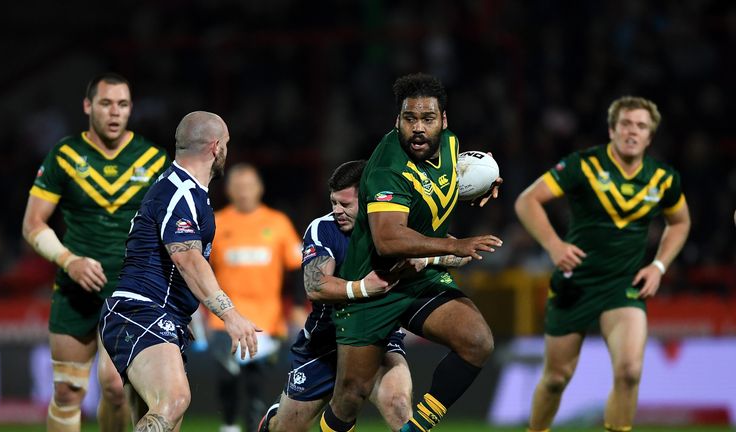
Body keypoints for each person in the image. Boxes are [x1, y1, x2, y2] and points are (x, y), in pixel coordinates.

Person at [319, 73, 503, 432]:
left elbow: (445, 181)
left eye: (428, 119)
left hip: (418, 278)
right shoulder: (388, 168)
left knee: (477, 341)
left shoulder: (449, 145)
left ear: (444, 121)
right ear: (397, 120)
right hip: (373, 285)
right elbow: (389, 239)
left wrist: (481, 182)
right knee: (351, 395)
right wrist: (454, 244)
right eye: (409, 119)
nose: (418, 128)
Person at [514, 96, 691, 432]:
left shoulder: (663, 180)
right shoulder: (583, 165)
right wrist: (553, 245)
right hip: (575, 283)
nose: (632, 131)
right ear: (612, 129)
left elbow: (680, 222)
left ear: (650, 136)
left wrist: (659, 267)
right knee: (556, 378)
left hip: (623, 286)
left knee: (629, 372)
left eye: (641, 126)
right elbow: (527, 201)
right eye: (625, 124)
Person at [260, 159, 474, 432]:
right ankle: (275, 419)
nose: (337, 211)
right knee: (285, 429)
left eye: (346, 204)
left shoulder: (398, 227)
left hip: (379, 334)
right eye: (334, 203)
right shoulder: (322, 229)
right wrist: (362, 287)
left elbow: (459, 252)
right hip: (327, 341)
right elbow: (315, 286)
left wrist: (427, 258)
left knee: (398, 404)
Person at [21, 72, 168, 432]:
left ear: (131, 109)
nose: (115, 112)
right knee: (68, 391)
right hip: (75, 287)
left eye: (122, 104)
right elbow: (33, 224)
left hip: (131, 290)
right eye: (105, 103)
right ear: (88, 106)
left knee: (116, 388)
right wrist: (69, 261)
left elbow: (173, 231)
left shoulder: (153, 160)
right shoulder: (65, 155)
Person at [98, 111, 260, 431]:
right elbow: (188, 258)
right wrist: (230, 314)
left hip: (155, 314)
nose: (227, 149)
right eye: (226, 143)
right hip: (144, 310)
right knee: (173, 399)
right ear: (215, 147)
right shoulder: (181, 192)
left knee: (163, 419)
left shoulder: (184, 190)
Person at [206, 163, 304, 432]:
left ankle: (252, 428)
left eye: (249, 186)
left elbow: (296, 268)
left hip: (266, 321)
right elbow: (200, 269)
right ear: (229, 190)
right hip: (224, 319)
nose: (244, 192)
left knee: (255, 386)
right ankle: (228, 425)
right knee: (227, 377)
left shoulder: (277, 223)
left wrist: (296, 306)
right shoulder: (216, 223)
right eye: (238, 186)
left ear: (259, 188)